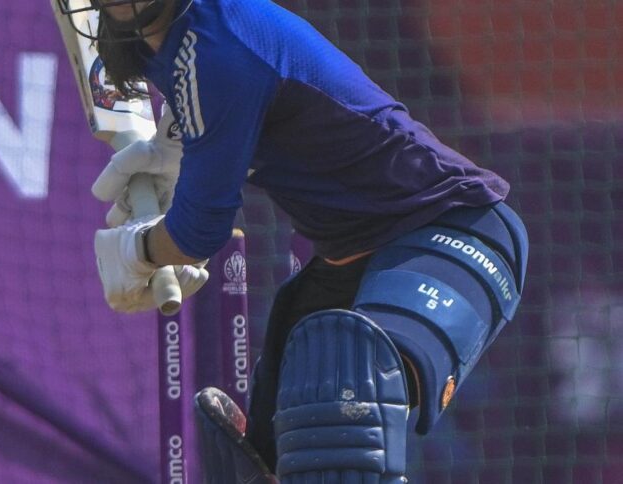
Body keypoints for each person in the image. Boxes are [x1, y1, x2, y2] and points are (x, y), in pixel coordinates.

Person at [59, 0, 529, 481]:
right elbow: (219, 121)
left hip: (451, 235)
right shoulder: (167, 45)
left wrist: (136, 252)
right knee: (276, 457)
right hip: (352, 263)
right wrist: (175, 154)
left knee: (346, 382)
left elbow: (198, 233)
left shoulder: (217, 43)